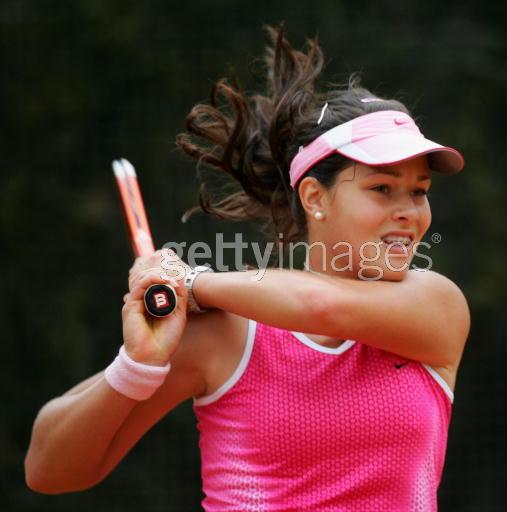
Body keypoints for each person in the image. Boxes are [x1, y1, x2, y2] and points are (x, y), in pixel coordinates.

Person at [25, 25, 470, 511]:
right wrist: (135, 367)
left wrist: (192, 282)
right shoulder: (229, 334)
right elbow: (48, 470)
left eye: (420, 191)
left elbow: (321, 306)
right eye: (382, 188)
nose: (409, 210)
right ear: (315, 197)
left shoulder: (436, 305)